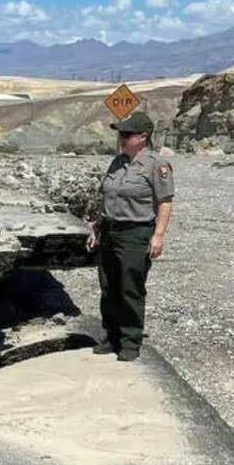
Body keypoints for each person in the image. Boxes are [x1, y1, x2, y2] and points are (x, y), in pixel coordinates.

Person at [85, 111, 175, 361]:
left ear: (143, 137)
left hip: (136, 233)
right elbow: (108, 197)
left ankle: (130, 341)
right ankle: (110, 336)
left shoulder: (156, 165)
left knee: (130, 288)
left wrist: (158, 236)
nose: (121, 138)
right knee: (109, 286)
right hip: (110, 231)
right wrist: (96, 225)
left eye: (127, 134)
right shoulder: (117, 162)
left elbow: (165, 202)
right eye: (120, 134)